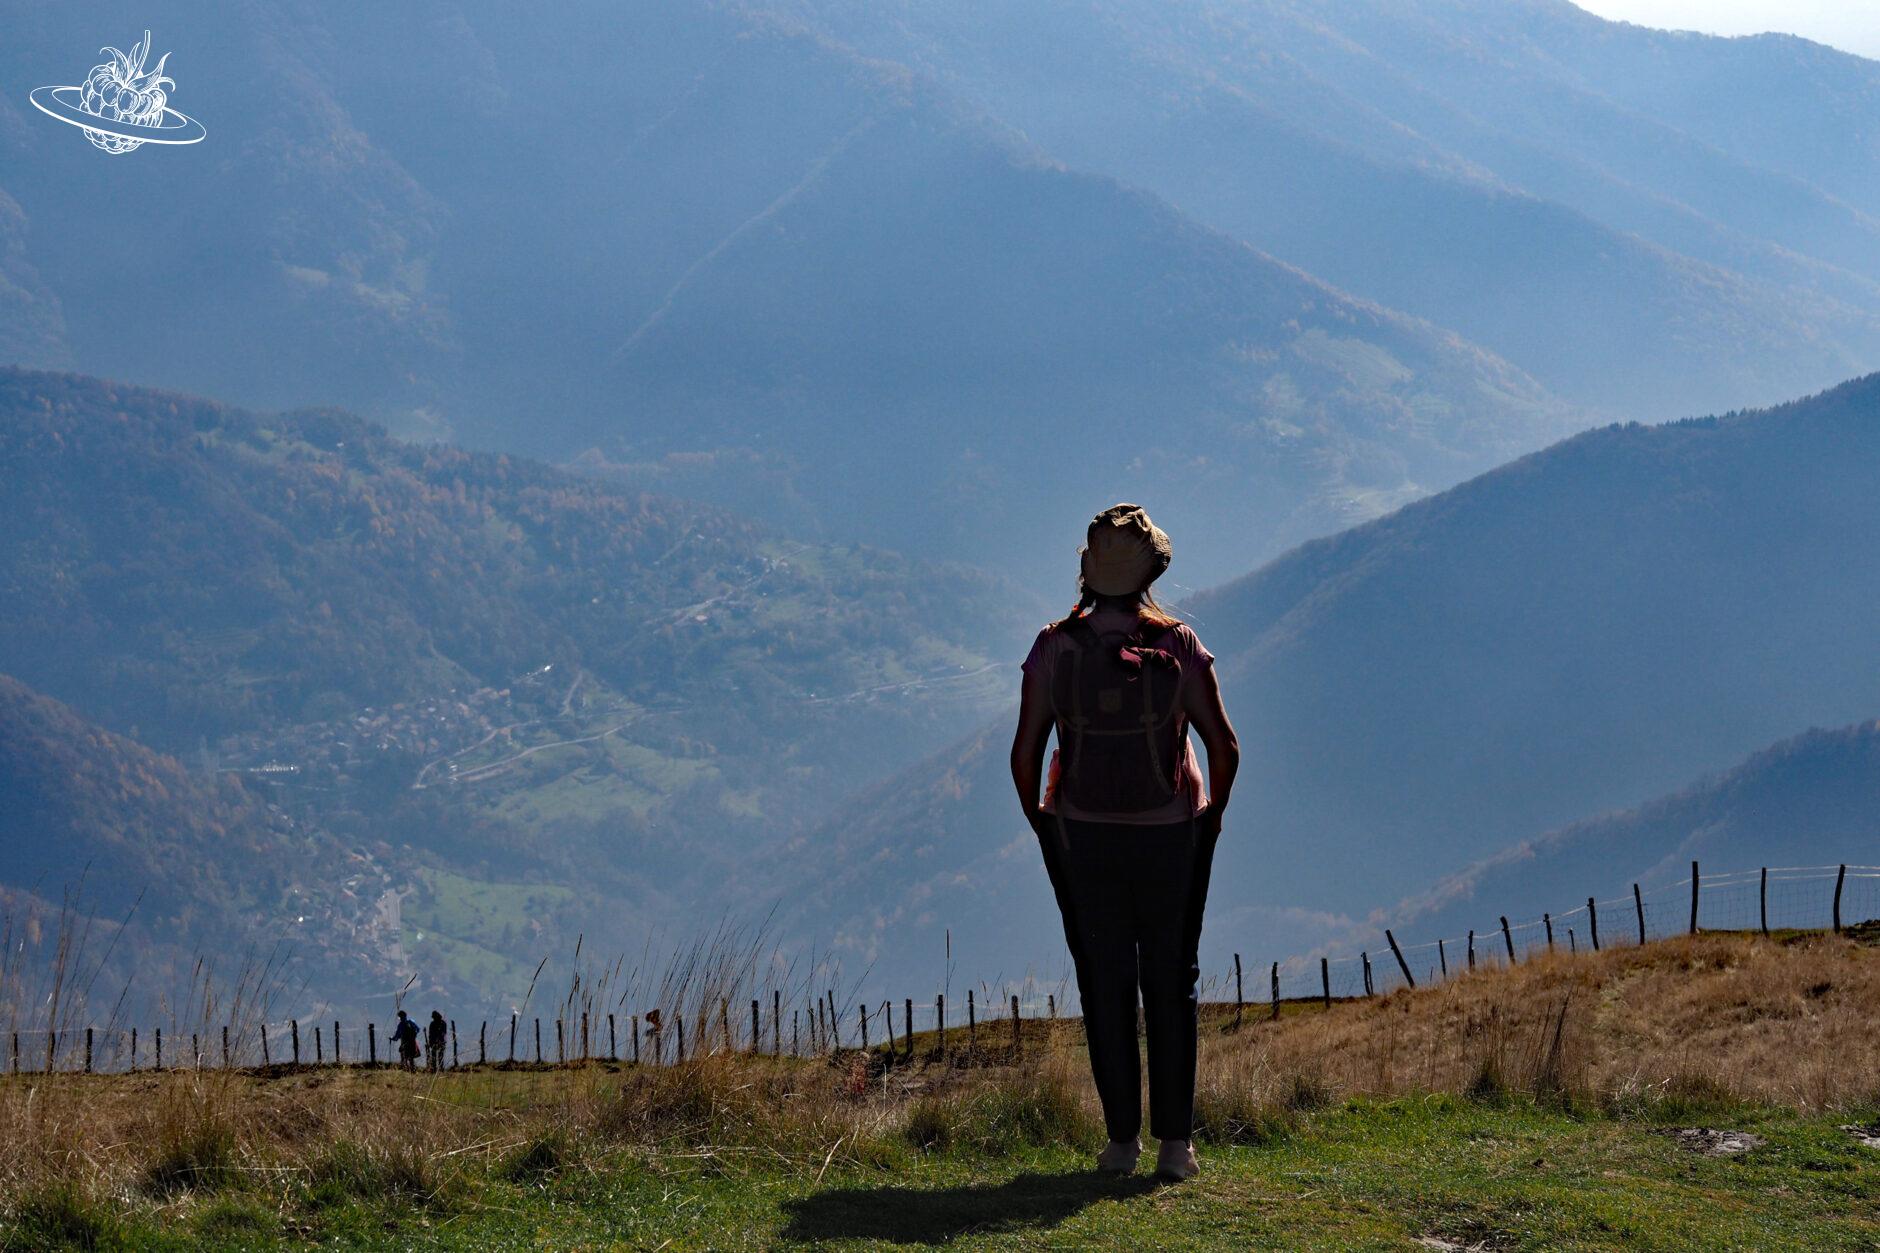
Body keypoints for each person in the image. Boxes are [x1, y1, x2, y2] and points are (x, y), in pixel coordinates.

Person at [1010, 503, 1239, 1183]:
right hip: (1172, 834)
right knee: (1172, 981)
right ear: (1151, 571)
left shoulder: (1054, 647)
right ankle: (1176, 1148)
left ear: (1087, 569)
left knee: (1104, 982)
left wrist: (1044, 822)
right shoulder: (1180, 646)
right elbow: (1223, 746)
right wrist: (1210, 817)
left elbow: (1027, 752)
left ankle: (1119, 1144)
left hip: (1083, 835)